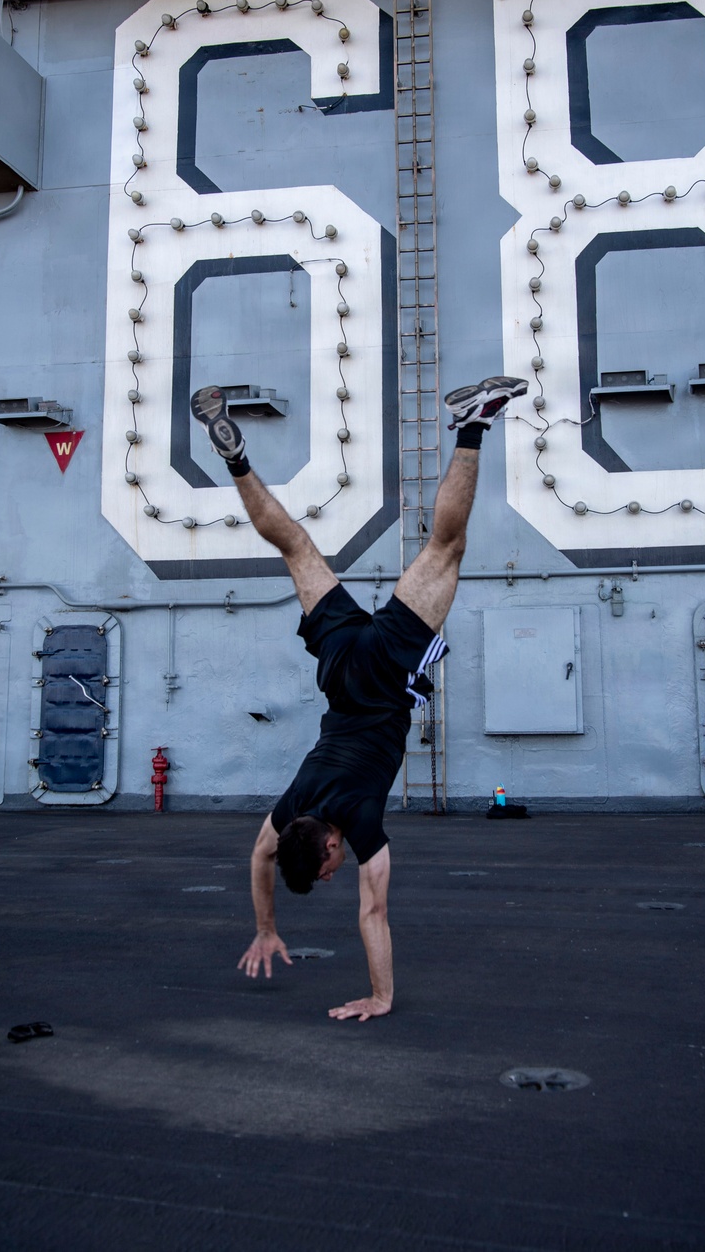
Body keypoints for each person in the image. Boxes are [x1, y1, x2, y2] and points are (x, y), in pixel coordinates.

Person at [191, 375, 528, 1022]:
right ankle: (234, 456)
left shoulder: (362, 826)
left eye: (325, 871)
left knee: (447, 547)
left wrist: (381, 996)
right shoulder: (291, 810)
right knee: (295, 546)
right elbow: (260, 856)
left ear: (330, 846)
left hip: (381, 673)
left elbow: (373, 912)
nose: (333, 875)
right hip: (342, 668)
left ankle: (473, 423)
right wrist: (264, 926)